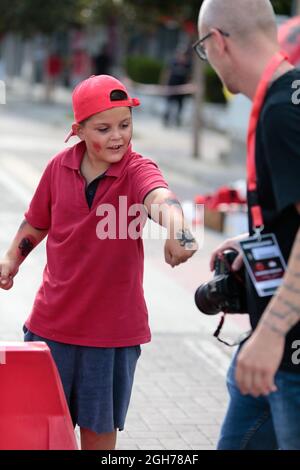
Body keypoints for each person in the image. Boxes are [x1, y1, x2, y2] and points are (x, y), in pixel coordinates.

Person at [0, 74, 198, 450]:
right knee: (41, 433)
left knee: (98, 435)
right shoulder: (59, 168)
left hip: (111, 335)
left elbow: (162, 199)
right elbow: (38, 221)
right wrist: (12, 258)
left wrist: (179, 231)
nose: (117, 136)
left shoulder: (137, 169)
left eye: (125, 125)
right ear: (78, 130)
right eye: (104, 128)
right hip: (50, 328)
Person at [196, 0, 300, 450]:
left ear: (218, 42)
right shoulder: (288, 94)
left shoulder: (280, 113)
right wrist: (256, 241)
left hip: (285, 353)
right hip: (269, 352)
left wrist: (273, 332)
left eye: (203, 48)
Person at [163, 50, 191, 127]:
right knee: (168, 105)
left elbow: (189, 77)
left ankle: (177, 121)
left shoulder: (187, 65)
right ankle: (166, 120)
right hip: (171, 88)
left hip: (181, 91)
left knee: (180, 106)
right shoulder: (173, 63)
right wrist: (164, 84)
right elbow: (167, 73)